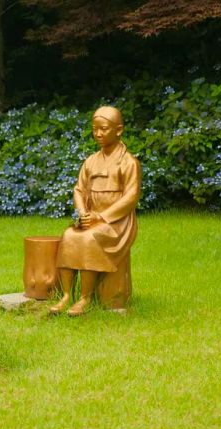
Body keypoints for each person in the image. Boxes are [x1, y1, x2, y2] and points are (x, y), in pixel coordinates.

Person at [49, 106, 141, 316]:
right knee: (69, 235)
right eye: (95, 129)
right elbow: (79, 190)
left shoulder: (128, 163)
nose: (98, 134)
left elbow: (131, 197)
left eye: (104, 129)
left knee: (89, 239)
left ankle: (85, 297)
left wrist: (101, 216)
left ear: (118, 130)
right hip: (90, 219)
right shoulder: (90, 161)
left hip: (116, 224)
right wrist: (83, 213)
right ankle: (65, 295)